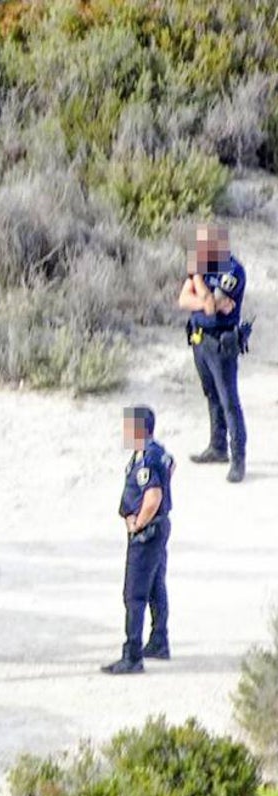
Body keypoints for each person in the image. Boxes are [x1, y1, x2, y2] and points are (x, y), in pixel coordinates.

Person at [103, 406, 174, 675]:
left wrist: (137, 523)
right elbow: (171, 465)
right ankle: (158, 640)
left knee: (134, 593)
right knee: (155, 586)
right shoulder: (154, 451)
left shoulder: (146, 459)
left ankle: (132, 655)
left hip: (148, 532)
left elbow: (153, 496)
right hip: (159, 527)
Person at [179, 223, 248, 482]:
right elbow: (183, 300)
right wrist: (202, 296)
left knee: (229, 399)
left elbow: (211, 306)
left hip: (222, 342)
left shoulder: (232, 271)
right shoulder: (204, 265)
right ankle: (217, 447)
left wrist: (197, 280)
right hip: (200, 338)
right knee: (211, 395)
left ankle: (238, 457)